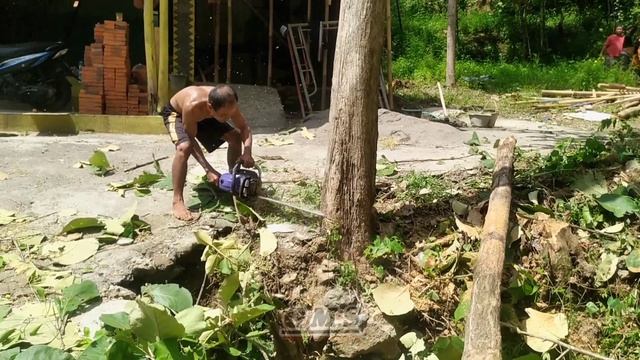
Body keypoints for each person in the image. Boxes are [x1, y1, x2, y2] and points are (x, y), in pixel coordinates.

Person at [161, 85, 254, 221]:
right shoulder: (193, 105)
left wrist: (247, 152)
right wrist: (208, 170)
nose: (228, 118)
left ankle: (233, 180)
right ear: (210, 107)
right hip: (178, 114)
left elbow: (244, 127)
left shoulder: (228, 104)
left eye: (230, 114)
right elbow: (191, 139)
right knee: (184, 147)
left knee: (235, 137)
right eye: (224, 115)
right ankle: (177, 200)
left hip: (207, 116)